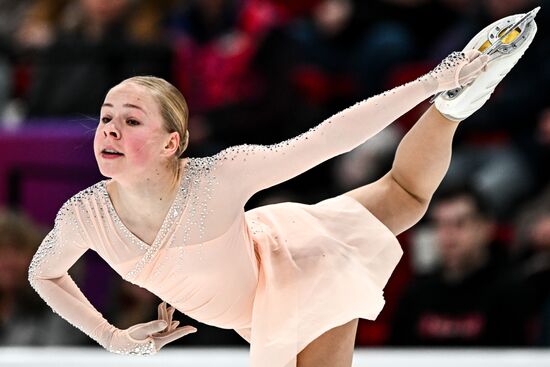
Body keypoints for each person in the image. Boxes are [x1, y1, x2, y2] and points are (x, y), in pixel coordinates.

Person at [27, 10, 537, 367]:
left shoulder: (218, 177)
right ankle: (453, 109)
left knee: (406, 195)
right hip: (262, 283)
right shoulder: (84, 215)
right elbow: (43, 274)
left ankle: (448, 102)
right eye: (105, 118)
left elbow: (327, 140)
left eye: (131, 120)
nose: (109, 130)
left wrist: (426, 82)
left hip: (296, 279)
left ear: (171, 143)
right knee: (405, 198)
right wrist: (114, 338)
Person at [388, 185, 530, 346]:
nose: (448, 235)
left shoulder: (510, 290)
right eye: (440, 224)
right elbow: (396, 354)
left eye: (459, 224)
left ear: (486, 227)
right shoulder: (417, 292)